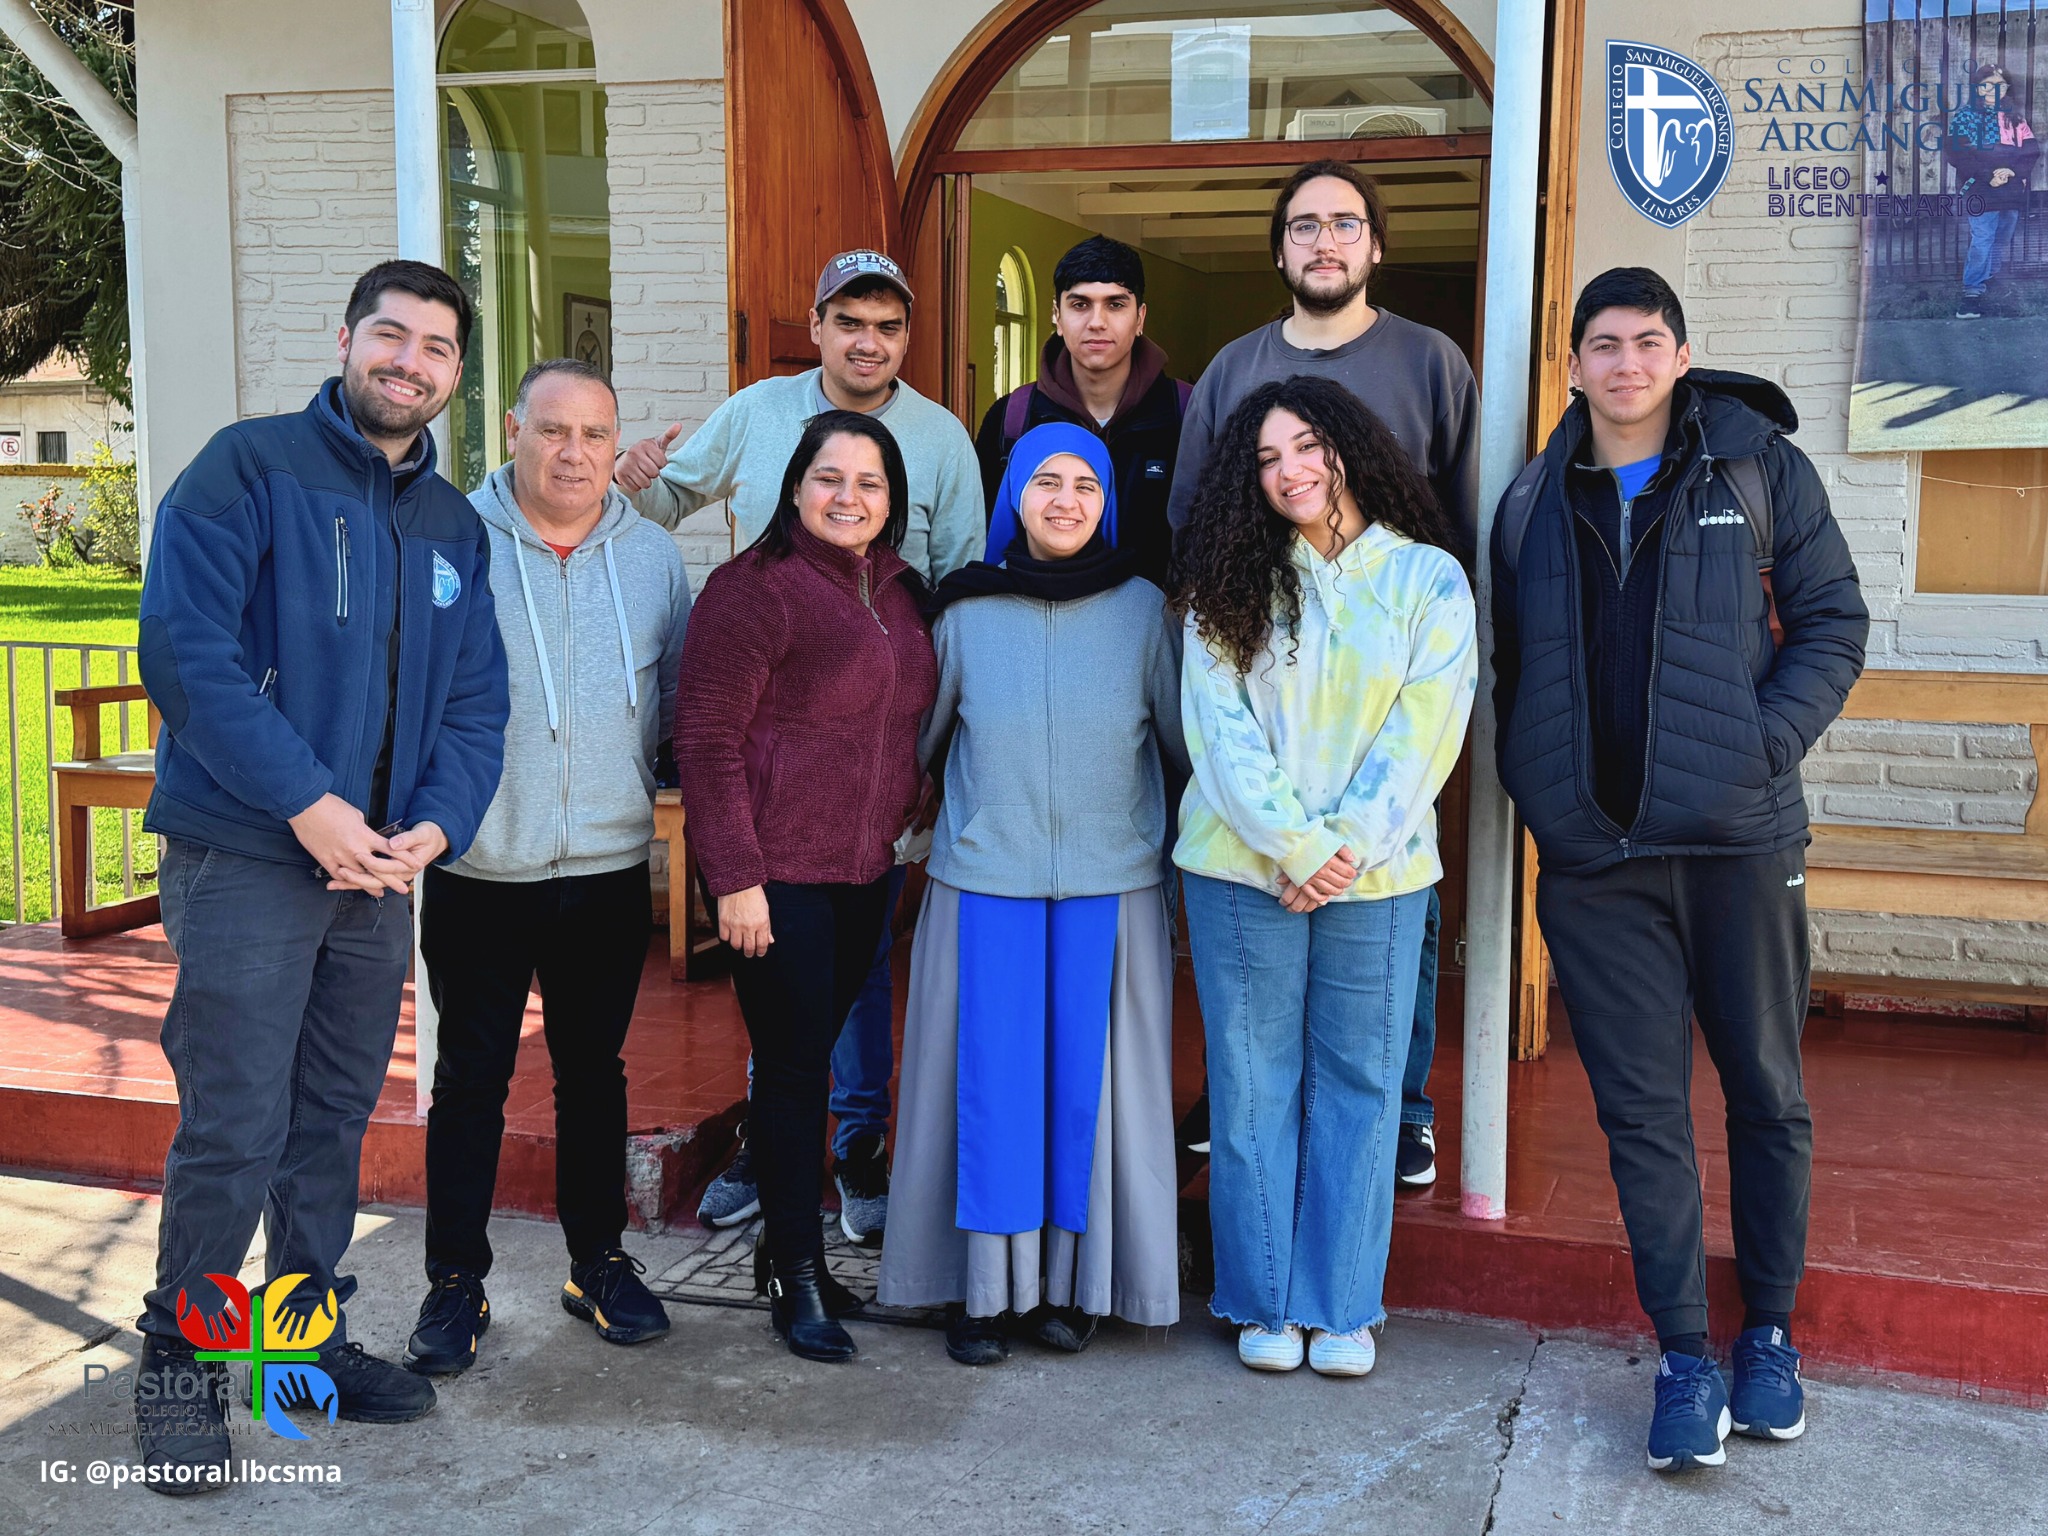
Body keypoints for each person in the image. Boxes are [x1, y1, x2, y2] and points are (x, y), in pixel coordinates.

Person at [132, 259, 510, 1490]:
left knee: (331, 1123)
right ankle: (186, 1364)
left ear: (456, 374)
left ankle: (298, 1346)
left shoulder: (453, 528)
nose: (409, 362)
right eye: (390, 337)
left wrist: (432, 833)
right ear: (347, 340)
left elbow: (473, 707)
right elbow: (186, 657)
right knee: (233, 1124)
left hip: (376, 876)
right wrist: (308, 804)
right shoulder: (245, 470)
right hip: (249, 853)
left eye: (436, 348)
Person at [1491, 268, 1867, 1471]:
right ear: (1570, 367)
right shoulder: (1531, 501)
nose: (1624, 364)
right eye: (1600, 345)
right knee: (1641, 1120)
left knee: (1765, 1094)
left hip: (1738, 847)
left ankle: (1767, 1337)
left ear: (1681, 351)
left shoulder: (1755, 468)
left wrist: (1754, 750)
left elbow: (1833, 620)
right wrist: (1536, 785)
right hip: (1596, 863)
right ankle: (1686, 1357)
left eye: (1646, 341)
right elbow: (1508, 659)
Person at [618, 250, 981, 1243]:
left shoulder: (942, 439)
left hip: (878, 761)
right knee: (777, 964)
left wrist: (937, 759)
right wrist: (630, 475)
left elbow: (951, 595)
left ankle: (856, 1143)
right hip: (773, 743)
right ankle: (776, 1145)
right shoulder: (754, 416)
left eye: (888, 326)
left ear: (907, 339)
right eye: (849, 321)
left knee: (855, 969)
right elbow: (655, 509)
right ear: (816, 327)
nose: (869, 342)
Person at [1168, 159, 1480, 1187]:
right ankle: (1237, 1094)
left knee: (1397, 903)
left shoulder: (1429, 362)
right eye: (1303, 226)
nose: (1323, 242)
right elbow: (1199, 525)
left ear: (1374, 245)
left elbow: (1465, 518)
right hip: (1267, 666)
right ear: (1278, 250)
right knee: (1248, 894)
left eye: (1344, 224)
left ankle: (1402, 1106)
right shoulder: (1232, 368)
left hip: (1386, 680)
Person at [1171, 375, 1475, 1379]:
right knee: (1252, 1086)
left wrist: (1343, 844)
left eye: (1305, 446)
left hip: (1380, 879)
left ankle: (1341, 1304)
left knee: (1358, 1086)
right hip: (1238, 869)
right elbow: (1215, 734)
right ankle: (1260, 1300)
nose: (1289, 471)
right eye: (1264, 459)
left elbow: (1425, 730)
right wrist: (1297, 847)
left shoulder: (1426, 580)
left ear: (1348, 446)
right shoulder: (1227, 581)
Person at [403, 359, 693, 1377]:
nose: (573, 454)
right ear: (514, 429)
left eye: (595, 436)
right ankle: (453, 1283)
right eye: (553, 431)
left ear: (617, 449)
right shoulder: (447, 542)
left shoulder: (655, 561)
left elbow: (670, 718)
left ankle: (597, 1262)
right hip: (481, 861)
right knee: (471, 1079)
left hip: (608, 869)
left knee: (593, 1075)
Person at [880, 423, 1187, 1366]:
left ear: (1109, 500)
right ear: (1011, 493)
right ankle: (981, 1294)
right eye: (1044, 482)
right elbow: (920, 747)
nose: (1064, 501)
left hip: (1110, 886)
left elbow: (1179, 748)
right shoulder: (965, 612)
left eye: (1085, 485)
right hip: (986, 886)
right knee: (990, 1092)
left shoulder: (1143, 610)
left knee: (1089, 1100)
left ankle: (1072, 1288)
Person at [674, 410, 937, 1362]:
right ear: (793, 487)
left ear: (892, 502)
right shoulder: (752, 592)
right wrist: (735, 880)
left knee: (811, 1061)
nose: (848, 498)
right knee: (793, 1077)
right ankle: (794, 1273)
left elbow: (913, 718)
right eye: (829, 478)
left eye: (870, 484)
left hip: (867, 872)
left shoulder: (902, 592)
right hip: (775, 878)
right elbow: (703, 744)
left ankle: (788, 1254)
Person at [974, 235, 1190, 588]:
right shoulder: (1013, 418)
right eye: (1080, 305)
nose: (1097, 322)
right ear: (1056, 316)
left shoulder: (1187, 412)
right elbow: (987, 532)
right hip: (1039, 624)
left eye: (1116, 305)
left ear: (1140, 318)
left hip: (1161, 629)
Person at [1946, 63, 2038, 320]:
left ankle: (1990, 274)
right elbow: (1957, 154)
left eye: (1999, 85)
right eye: (1986, 84)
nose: (1992, 90)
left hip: (2009, 186)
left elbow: (2030, 150)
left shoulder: (2015, 118)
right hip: (1979, 188)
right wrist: (1988, 177)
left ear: (2007, 88)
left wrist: (2012, 173)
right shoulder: (1965, 117)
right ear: (1977, 87)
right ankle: (1971, 293)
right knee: (1983, 237)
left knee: (2003, 234)